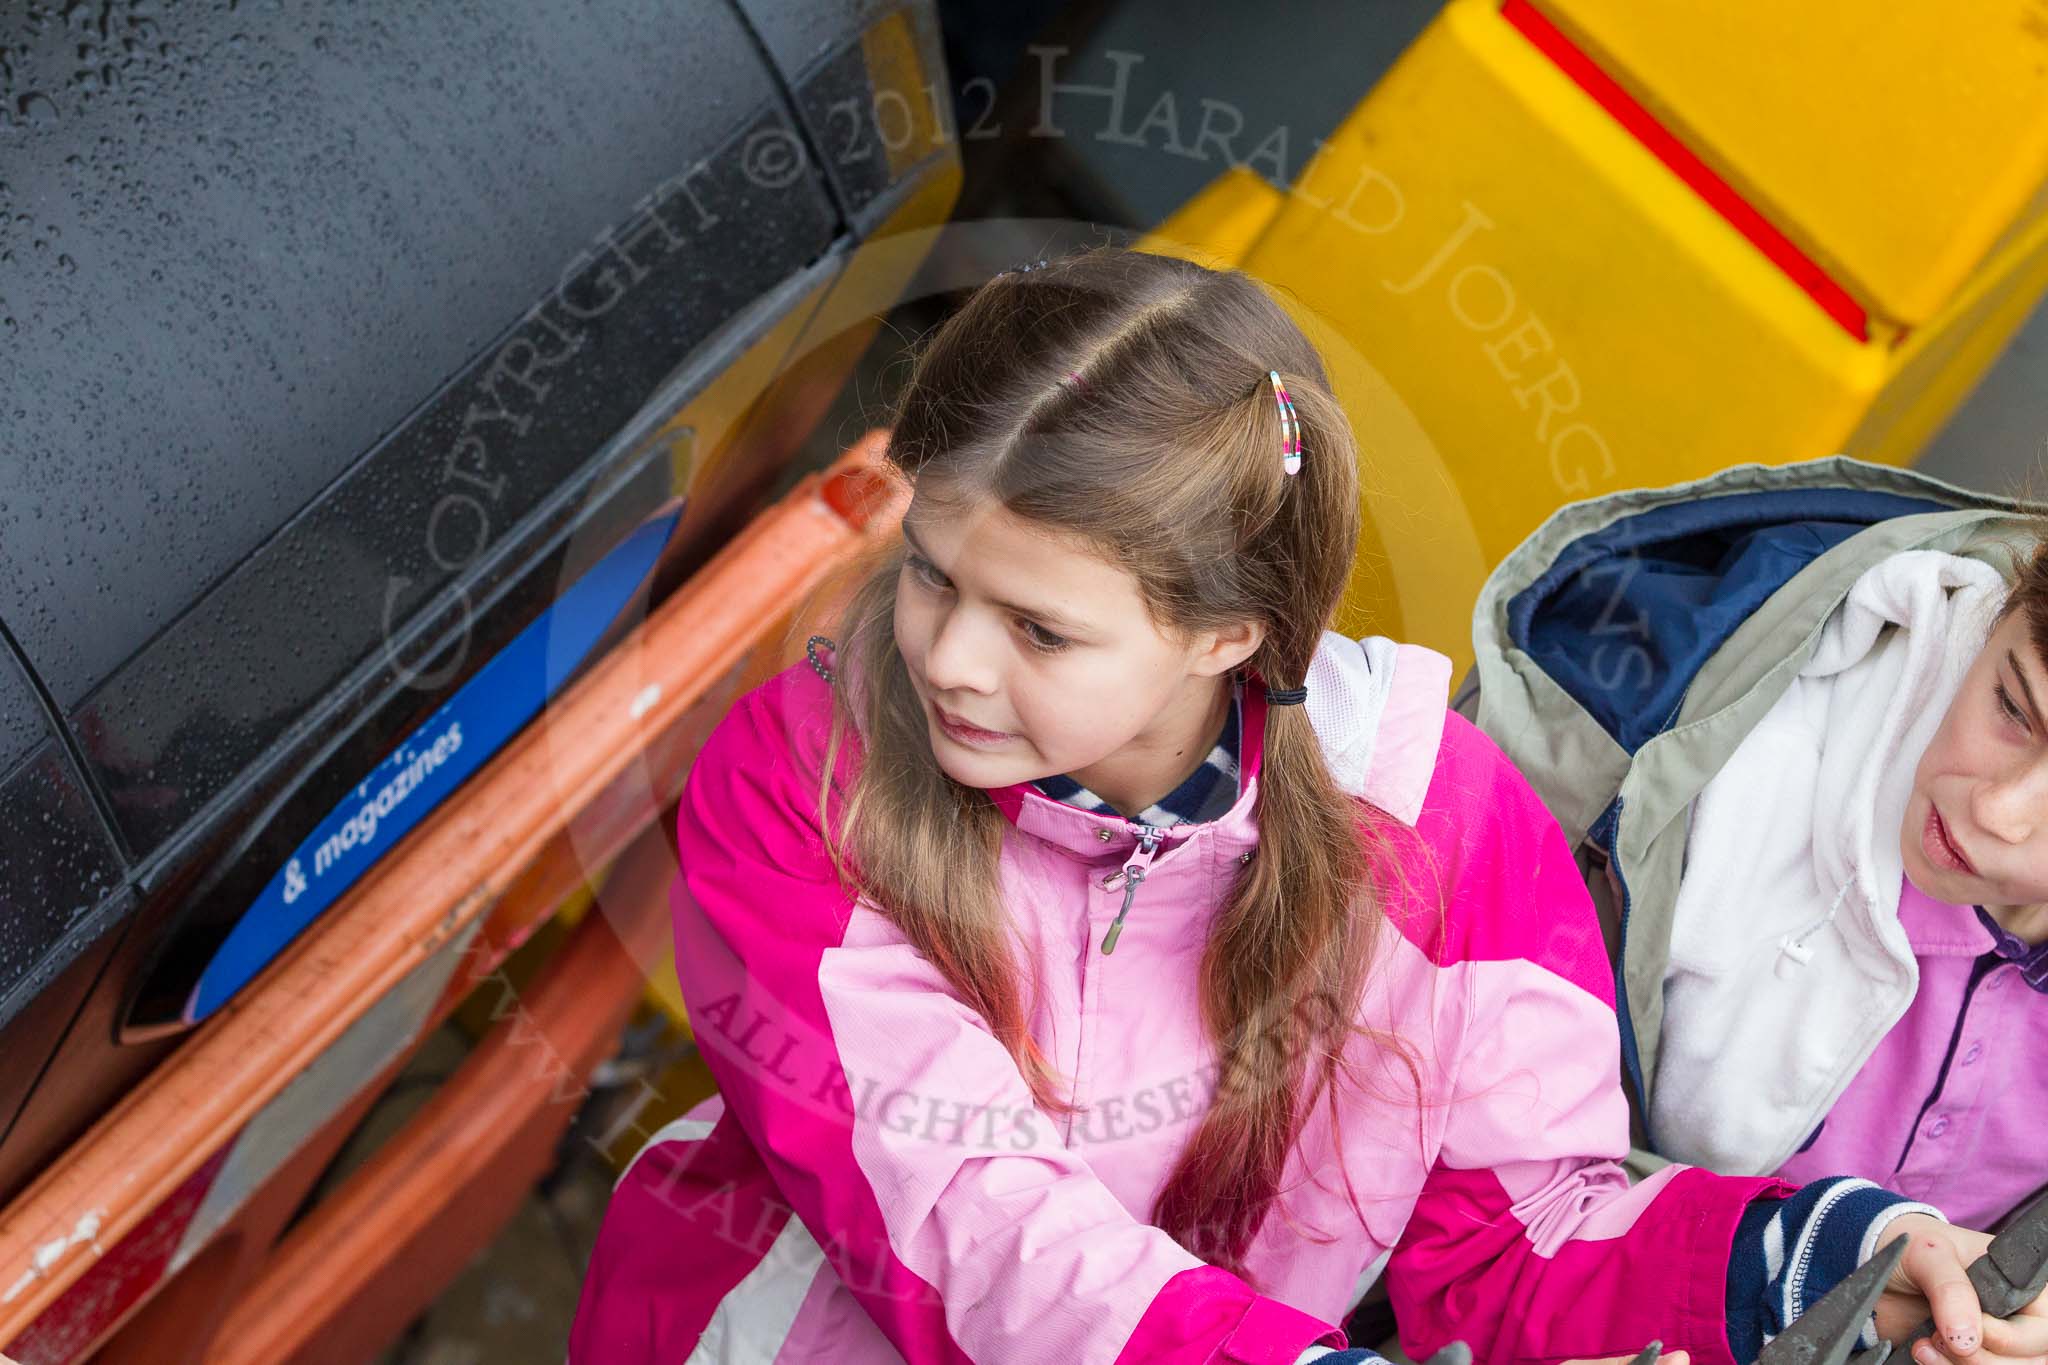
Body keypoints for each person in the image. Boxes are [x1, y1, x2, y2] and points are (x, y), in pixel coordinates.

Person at [569, 250, 2028, 1365]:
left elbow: (1517, 1239)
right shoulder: (799, 775)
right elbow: (965, 1217)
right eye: (934, 571)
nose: (946, 655)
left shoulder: (1447, 826)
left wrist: (1810, 1249)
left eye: (1041, 629)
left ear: (1229, 636)